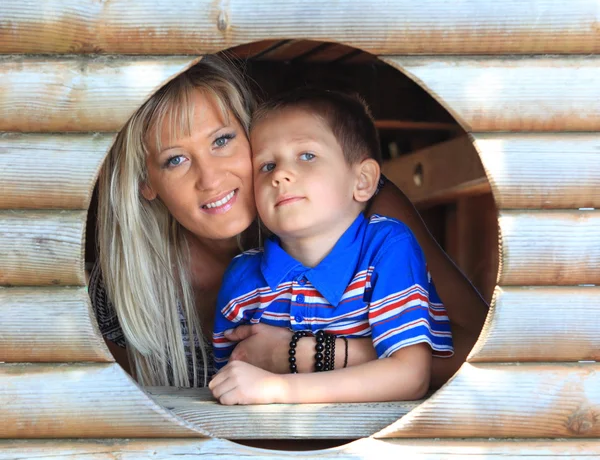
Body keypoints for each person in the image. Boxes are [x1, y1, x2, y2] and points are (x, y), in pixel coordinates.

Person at [89, 55, 487, 391]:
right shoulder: (123, 288)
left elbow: (482, 353)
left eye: (222, 140)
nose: (210, 179)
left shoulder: (359, 208)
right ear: (146, 183)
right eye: (175, 159)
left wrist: (303, 353)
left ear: (252, 134)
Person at [210, 88, 453, 405]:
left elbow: (411, 376)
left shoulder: (387, 249)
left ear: (362, 181)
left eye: (307, 156)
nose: (281, 174)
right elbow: (231, 385)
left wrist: (280, 388)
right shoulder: (241, 280)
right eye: (266, 166)